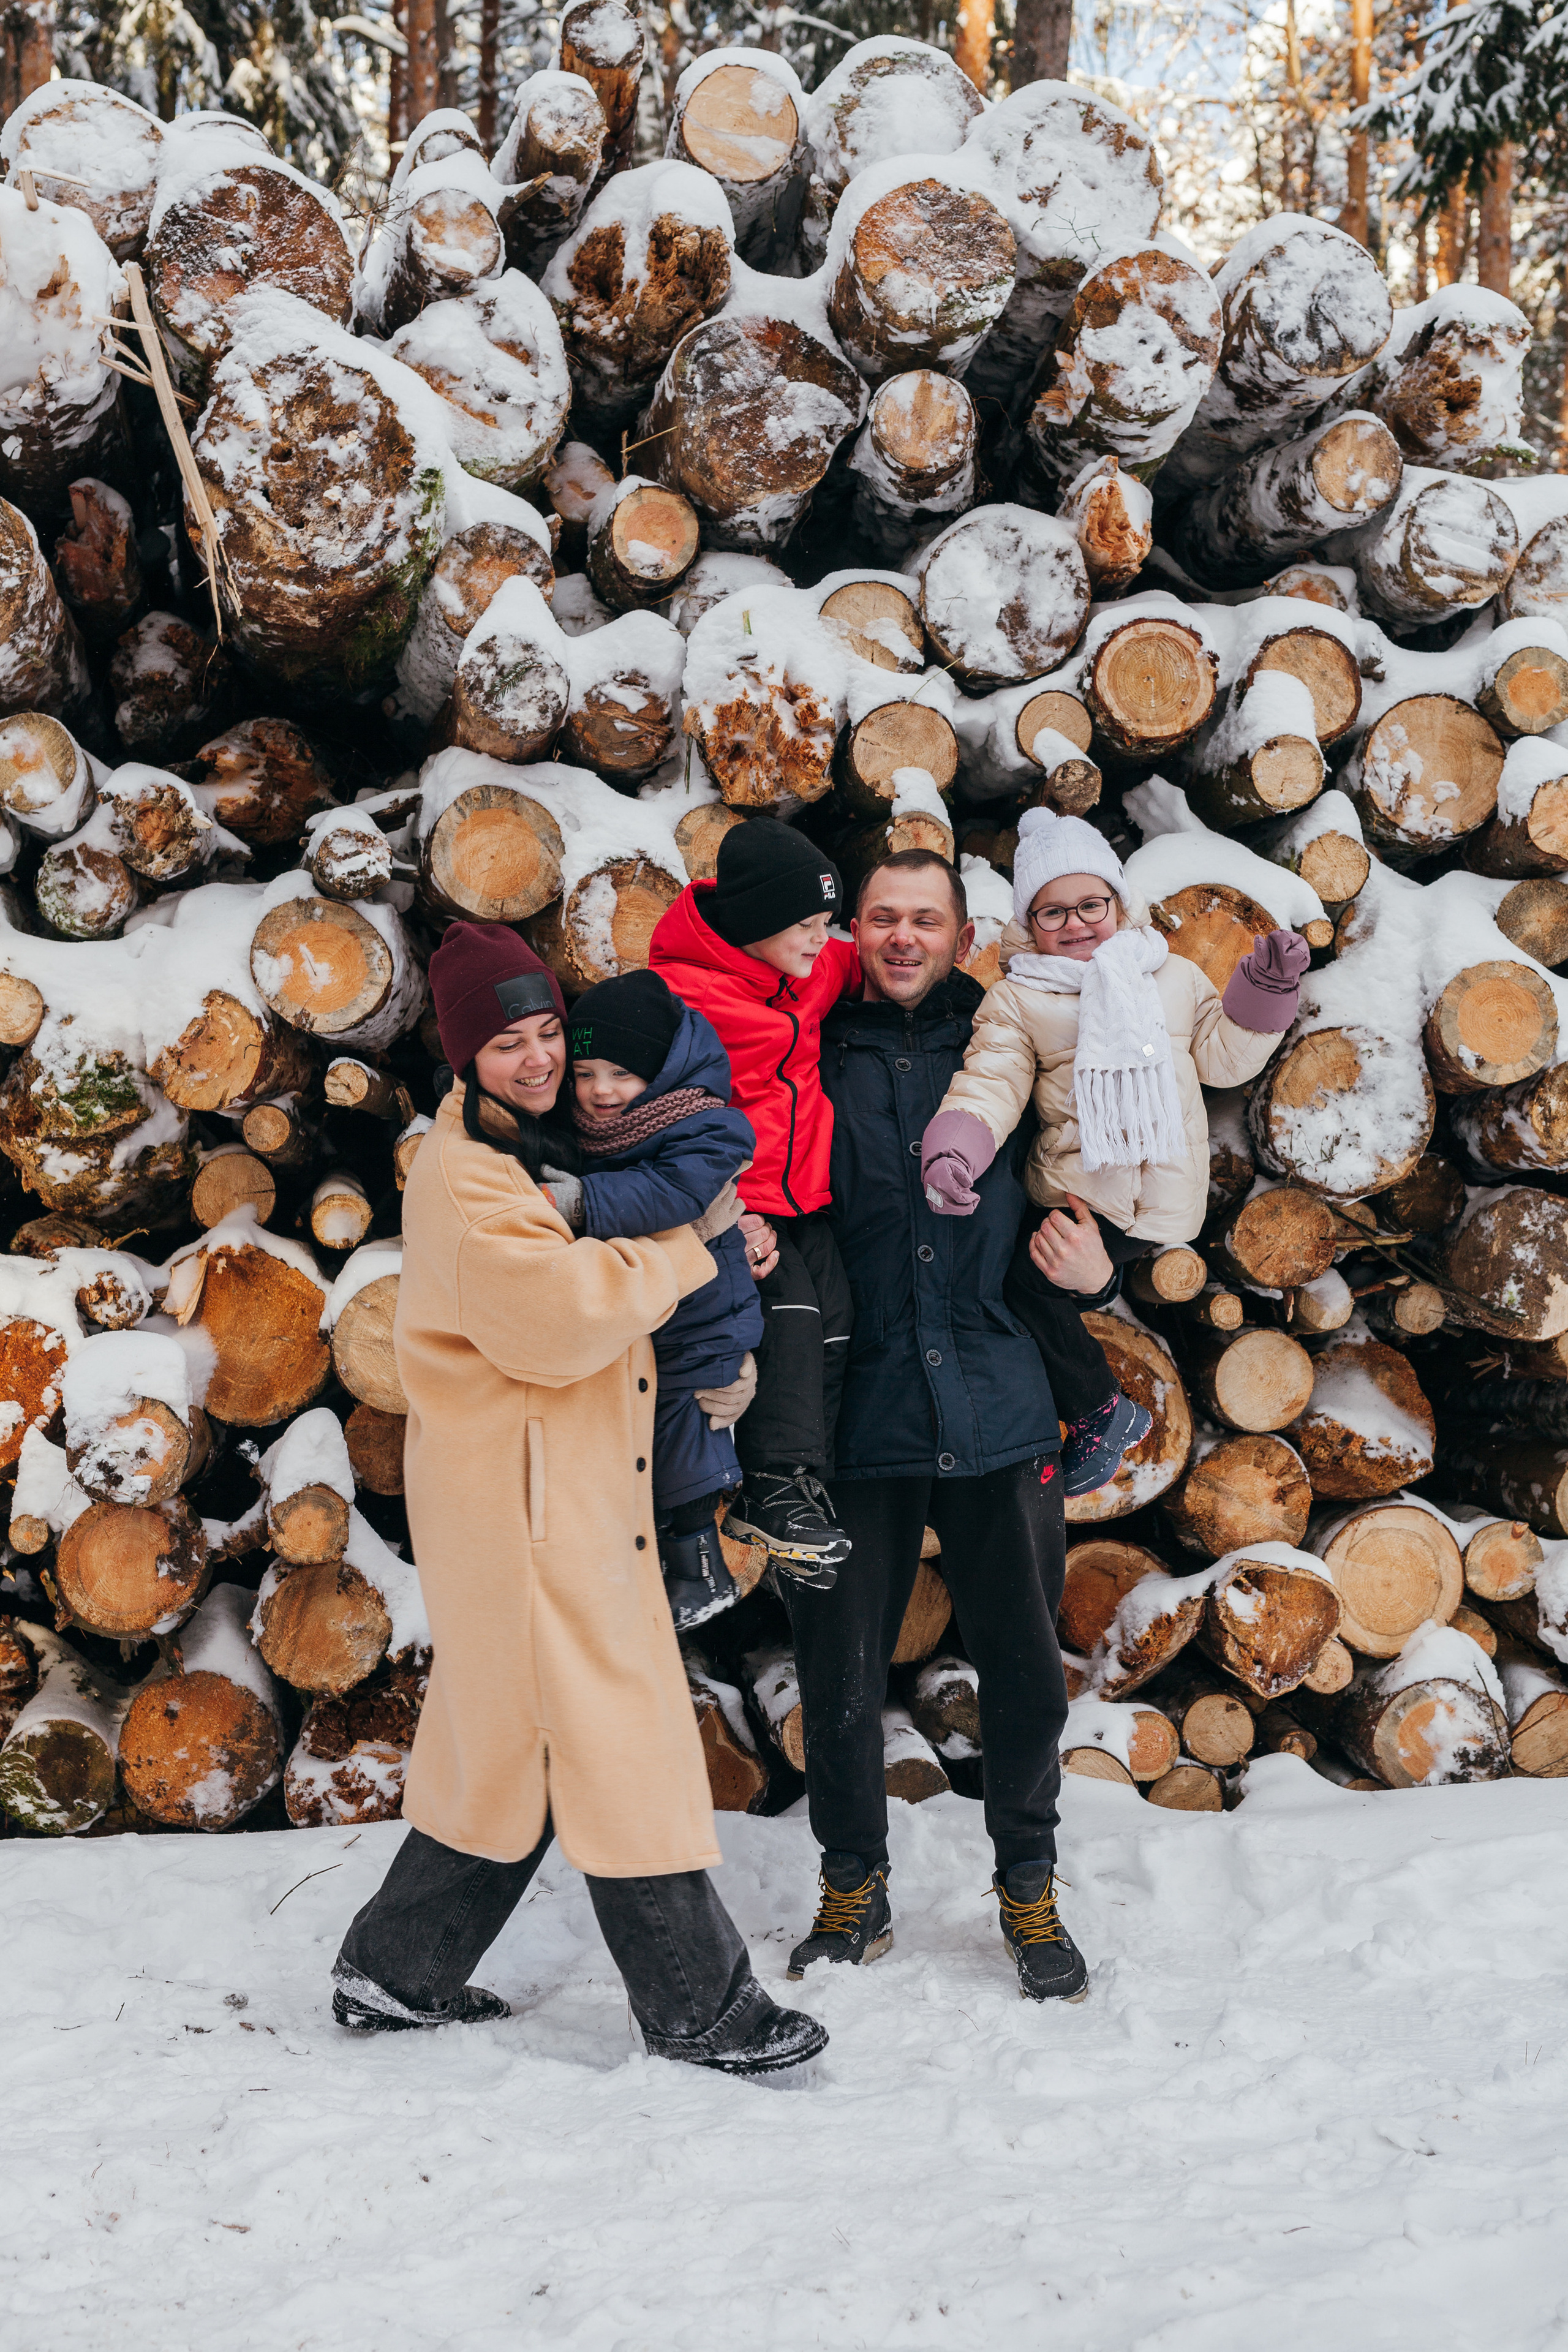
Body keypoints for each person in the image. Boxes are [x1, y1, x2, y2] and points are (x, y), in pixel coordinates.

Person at [331, 922, 826, 2079]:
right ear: (466, 1054)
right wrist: (694, 1248)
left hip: (552, 1490)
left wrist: (708, 1304)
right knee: (615, 1740)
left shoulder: (525, 1143)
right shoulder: (469, 1176)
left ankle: (397, 1968)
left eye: (550, 1032)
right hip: (526, 1508)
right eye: (509, 1042)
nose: (541, 1057)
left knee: (512, 1746)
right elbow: (561, 1319)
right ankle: (701, 2006)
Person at [783, 848, 1088, 2003]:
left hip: (999, 1393)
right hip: (854, 1406)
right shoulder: (812, 1047)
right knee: (838, 1667)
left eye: (925, 919)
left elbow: (1093, 1166)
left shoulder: (1014, 1035)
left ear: (966, 938)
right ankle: (852, 1886)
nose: (902, 937)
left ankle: (1029, 1885)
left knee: (1025, 1669)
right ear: (853, 932)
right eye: (882, 918)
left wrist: (1103, 1259)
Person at [920, 809, 1307, 1494]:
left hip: (1155, 1199)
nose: (1075, 924)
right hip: (1077, 1189)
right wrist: (954, 1151)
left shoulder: (1173, 976)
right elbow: (990, 1082)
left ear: (1118, 903)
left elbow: (1223, 1060)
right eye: (1052, 912)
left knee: (1021, 1286)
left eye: (1090, 905)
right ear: (1029, 922)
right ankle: (1030, 1434)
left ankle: (1100, 1411)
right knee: (995, 1286)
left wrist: (1265, 992)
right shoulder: (1018, 998)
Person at [650, 820, 861, 1581]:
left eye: (825, 921)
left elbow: (866, 959)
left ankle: (804, 1484)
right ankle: (766, 1483)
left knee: (835, 1317)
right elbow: (657, 1119)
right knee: (791, 1313)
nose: (820, 938)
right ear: (754, 924)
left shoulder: (805, 966)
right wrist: (722, 1213)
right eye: (804, 924)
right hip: (732, 1207)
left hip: (801, 1199)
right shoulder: (683, 1000)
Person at [564, 966, 764, 1630]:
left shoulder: (705, 1124)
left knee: (683, 1430)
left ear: (661, 1071)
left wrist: (581, 1201)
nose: (600, 1091)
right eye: (585, 1073)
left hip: (702, 1315)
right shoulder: (591, 1126)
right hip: (647, 1314)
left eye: (620, 1074)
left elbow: (672, 1193)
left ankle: (699, 1570)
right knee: (645, 1438)